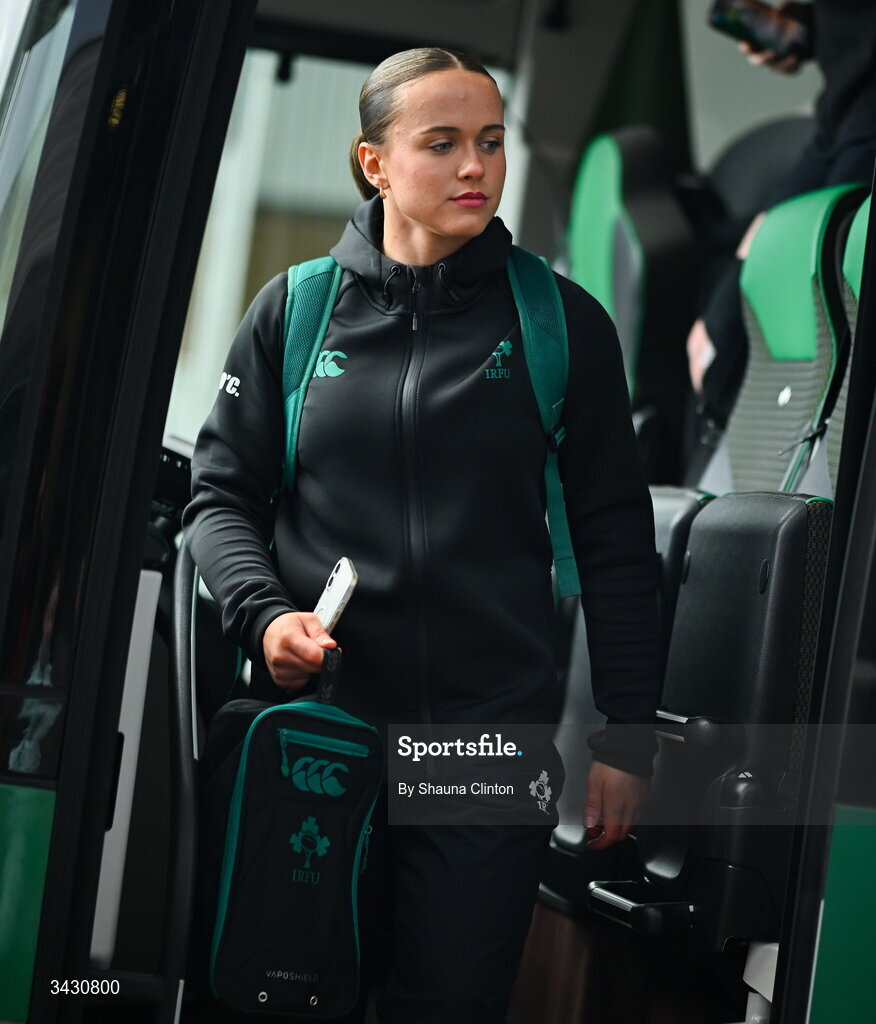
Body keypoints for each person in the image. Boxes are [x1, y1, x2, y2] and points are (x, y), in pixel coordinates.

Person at [184, 47, 660, 1024]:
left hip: (485, 739)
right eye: (440, 144)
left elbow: (615, 536)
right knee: (287, 995)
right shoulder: (295, 311)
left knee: (446, 1004)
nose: (475, 167)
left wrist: (630, 733)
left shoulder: (560, 323)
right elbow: (219, 497)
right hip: (323, 724)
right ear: (374, 162)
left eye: (488, 142)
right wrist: (264, 617)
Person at [688, 0, 876, 434]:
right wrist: (803, 28)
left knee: (810, 323)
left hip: (869, 123)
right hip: (837, 121)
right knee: (711, 341)